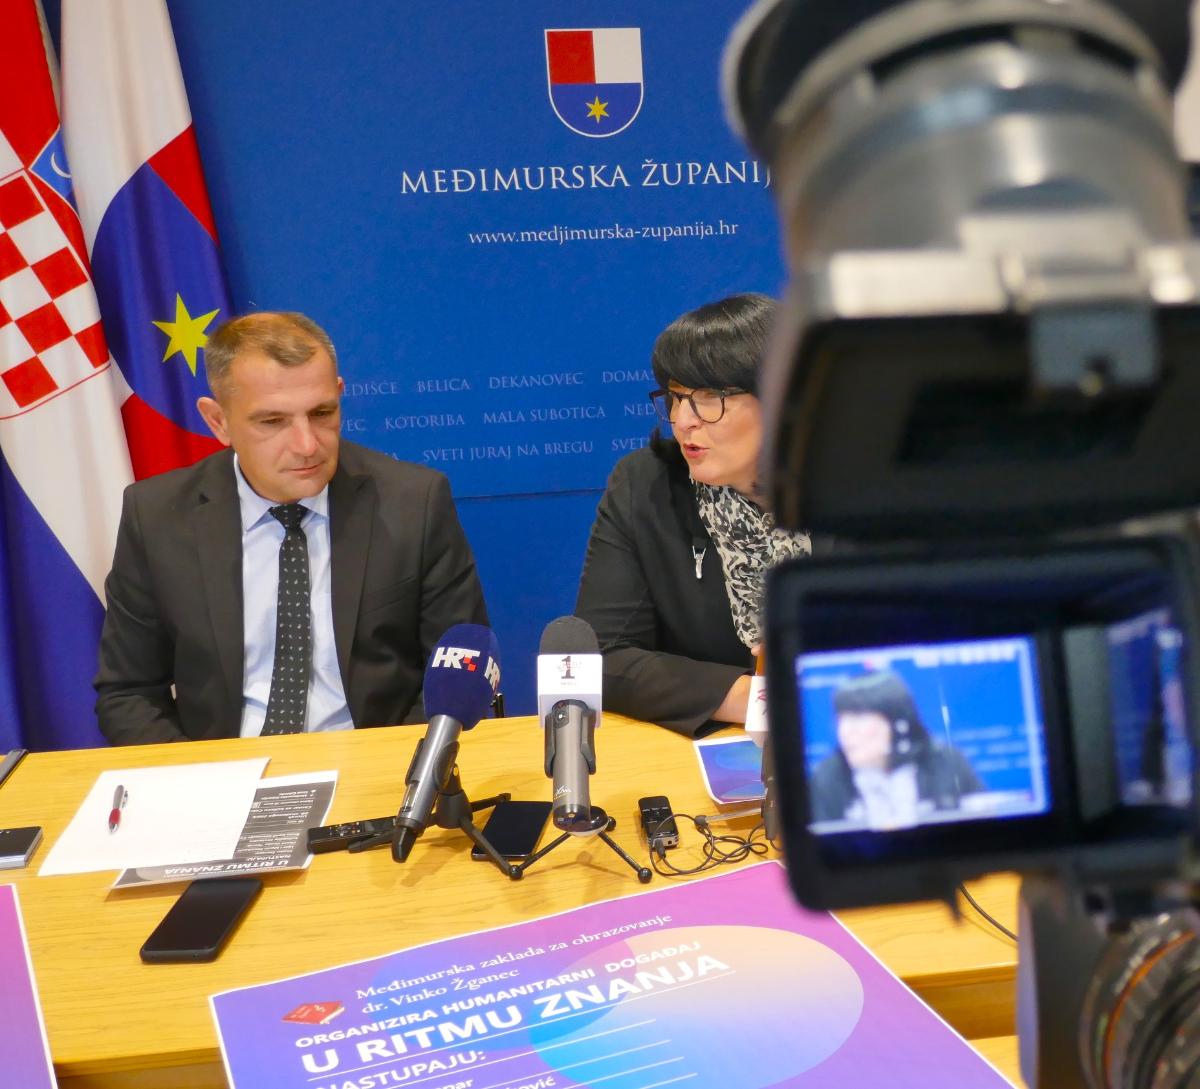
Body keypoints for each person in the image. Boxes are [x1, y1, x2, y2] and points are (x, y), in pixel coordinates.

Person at [94, 312, 488, 744]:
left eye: (322, 413)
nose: (307, 445)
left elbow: (457, 673)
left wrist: (393, 770)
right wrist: (200, 777)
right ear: (218, 421)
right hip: (223, 767)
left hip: (374, 763)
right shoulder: (157, 516)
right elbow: (129, 693)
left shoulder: (414, 503)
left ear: (339, 395)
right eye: (273, 421)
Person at [575, 293, 812, 736]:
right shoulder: (647, 484)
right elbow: (600, 658)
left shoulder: (864, 490)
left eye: (709, 397)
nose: (683, 420)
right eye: (676, 397)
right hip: (714, 750)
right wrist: (761, 700)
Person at [809, 670, 984, 828]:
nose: (845, 731)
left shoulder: (947, 763)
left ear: (898, 723)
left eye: (858, 718)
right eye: (840, 720)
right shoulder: (826, 778)